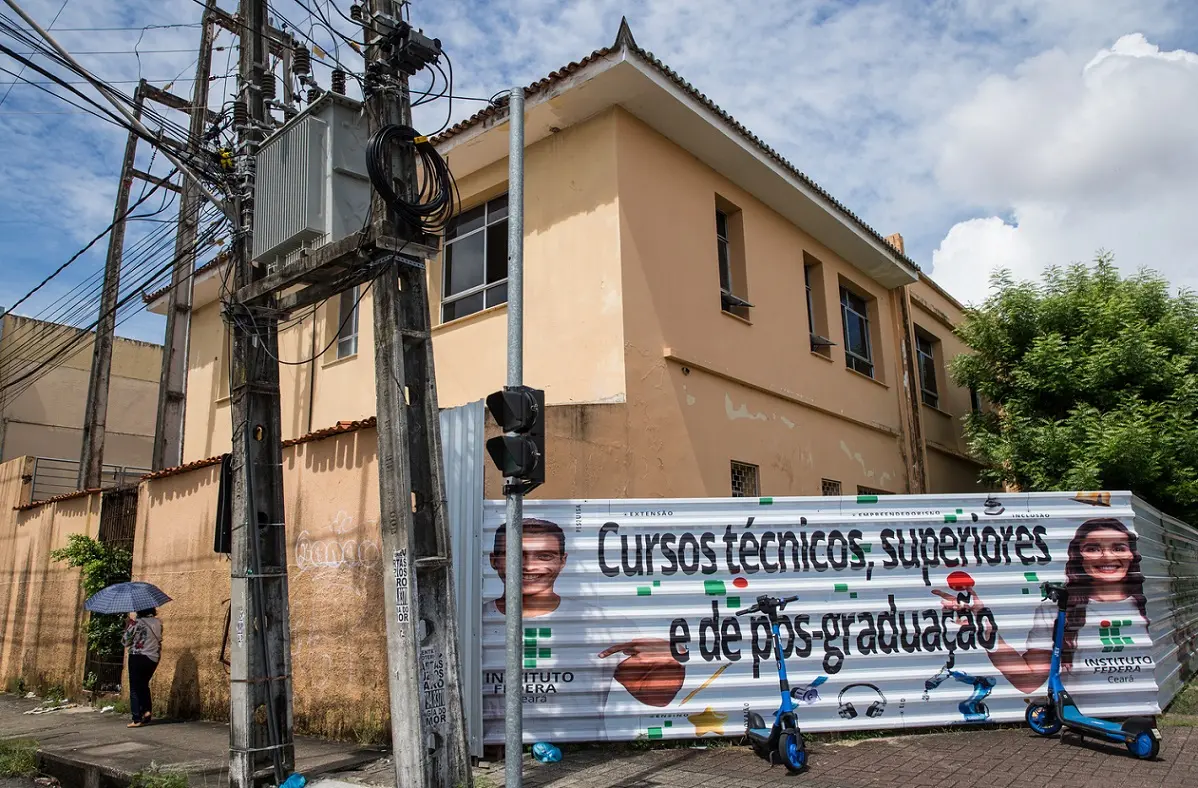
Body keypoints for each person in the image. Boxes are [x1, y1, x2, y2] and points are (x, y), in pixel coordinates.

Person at [482, 518, 685, 741]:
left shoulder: (606, 624)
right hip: (494, 755)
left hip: (582, 757)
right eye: (515, 556)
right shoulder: (474, 623)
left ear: (562, 561)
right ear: (495, 561)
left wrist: (667, 661)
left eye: (544, 556)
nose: (529, 566)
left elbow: (656, 697)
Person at [934, 517, 1150, 694]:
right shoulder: (1055, 610)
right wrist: (985, 626)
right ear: (1078, 556)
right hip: (1080, 717)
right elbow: (1028, 681)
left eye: (1119, 547)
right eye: (1093, 548)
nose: (1107, 556)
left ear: (1132, 554)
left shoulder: (1148, 606)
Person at [122, 608, 163, 728]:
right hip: (153, 658)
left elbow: (125, 642)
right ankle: (146, 711)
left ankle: (136, 718)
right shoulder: (158, 622)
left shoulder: (136, 623)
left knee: (134, 687)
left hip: (138, 657)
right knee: (144, 684)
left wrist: (127, 626)